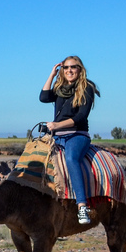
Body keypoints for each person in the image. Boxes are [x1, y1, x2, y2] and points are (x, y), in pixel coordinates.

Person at [39, 55, 100, 225]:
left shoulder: (86, 88)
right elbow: (43, 97)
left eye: (73, 67)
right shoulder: (60, 88)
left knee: (72, 159)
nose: (69, 70)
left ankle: (82, 206)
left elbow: (81, 117)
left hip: (77, 135)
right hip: (57, 136)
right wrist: (52, 74)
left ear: (80, 69)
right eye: (65, 68)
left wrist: (57, 126)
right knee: (35, 155)